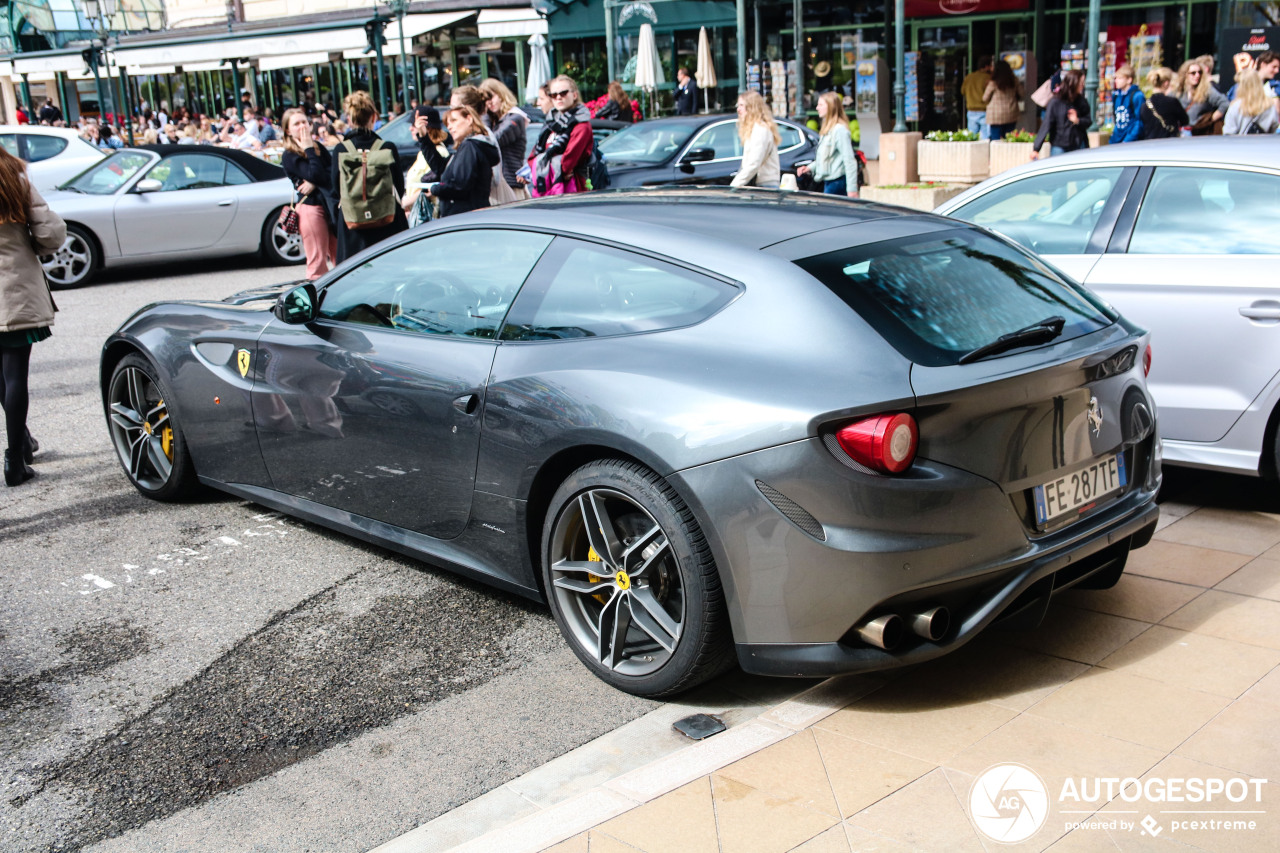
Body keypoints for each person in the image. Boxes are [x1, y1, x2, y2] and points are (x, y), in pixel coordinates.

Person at [0, 145, 66, 487]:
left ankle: (22, 440)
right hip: (14, 288)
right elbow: (49, 233)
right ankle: (15, 455)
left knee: (4, 376)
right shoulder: (14, 178)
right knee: (14, 376)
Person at [330, 90, 407, 263]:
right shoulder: (386, 147)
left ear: (349, 119)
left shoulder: (341, 150)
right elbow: (399, 187)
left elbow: (336, 188)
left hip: (353, 224)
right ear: (373, 117)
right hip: (386, 221)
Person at [281, 108, 337, 280]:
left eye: (304, 121)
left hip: (330, 206)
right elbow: (317, 174)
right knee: (317, 261)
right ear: (288, 131)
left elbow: (332, 172)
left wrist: (314, 182)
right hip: (310, 208)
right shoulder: (289, 155)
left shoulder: (319, 147)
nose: (302, 126)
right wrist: (309, 150)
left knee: (340, 256)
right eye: (296, 124)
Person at [423, 104, 499, 217]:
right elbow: (441, 167)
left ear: (469, 119)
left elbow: (460, 185)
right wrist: (424, 138)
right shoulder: (471, 146)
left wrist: (436, 189)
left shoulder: (470, 146)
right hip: (469, 216)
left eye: (454, 121)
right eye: (447, 124)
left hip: (464, 218)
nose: (449, 127)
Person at [528, 75, 593, 196]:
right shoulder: (551, 123)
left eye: (563, 93)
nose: (558, 97)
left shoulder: (581, 125)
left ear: (574, 95)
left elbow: (567, 163)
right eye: (554, 95)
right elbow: (532, 158)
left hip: (573, 189)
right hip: (548, 187)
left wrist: (549, 166)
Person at [796, 91, 857, 197]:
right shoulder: (828, 130)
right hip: (829, 182)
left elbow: (849, 160)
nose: (817, 108)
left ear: (830, 107)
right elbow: (826, 158)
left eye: (821, 105)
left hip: (837, 182)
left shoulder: (839, 130)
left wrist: (852, 189)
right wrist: (810, 168)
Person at [479, 78, 531, 194]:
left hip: (511, 183)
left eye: (491, 97)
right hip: (497, 183)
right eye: (485, 100)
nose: (489, 103)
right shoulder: (495, 120)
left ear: (501, 94)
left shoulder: (515, 117)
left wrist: (485, 115)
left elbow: (492, 141)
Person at [1032, 69, 1090, 159]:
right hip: (1059, 145)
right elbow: (1047, 124)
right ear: (1073, 83)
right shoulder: (1056, 102)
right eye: (1081, 82)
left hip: (1078, 144)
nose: (1083, 85)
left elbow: (1088, 121)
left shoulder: (1081, 101)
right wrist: (1036, 149)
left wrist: (1078, 121)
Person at [730, 90, 780, 188]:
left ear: (752, 107)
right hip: (761, 183)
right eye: (738, 105)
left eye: (741, 105)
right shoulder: (754, 128)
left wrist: (735, 185)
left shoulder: (760, 130)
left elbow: (754, 163)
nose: (738, 109)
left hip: (766, 184)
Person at [1177, 60, 1228, 134]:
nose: (1197, 75)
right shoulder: (1178, 91)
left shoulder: (1207, 90)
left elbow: (1225, 103)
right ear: (1185, 75)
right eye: (1193, 73)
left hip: (1200, 132)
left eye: (1199, 72)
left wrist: (1211, 119)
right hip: (1181, 132)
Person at [1138, 67, 1190, 139]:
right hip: (1169, 143)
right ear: (1166, 83)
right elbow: (1185, 120)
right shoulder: (1172, 102)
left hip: (1150, 144)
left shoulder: (1144, 105)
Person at [1224, 69, 1280, 135]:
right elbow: (1274, 128)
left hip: (1240, 144)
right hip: (1264, 144)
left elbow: (1228, 133)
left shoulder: (1235, 106)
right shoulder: (1269, 105)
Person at [982, 59, 1024, 141]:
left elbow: (985, 98)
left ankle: (996, 153)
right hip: (1011, 113)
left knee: (995, 139)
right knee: (1009, 138)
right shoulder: (1014, 81)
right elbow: (1022, 94)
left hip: (995, 115)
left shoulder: (993, 82)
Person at [1109, 65, 1145, 144]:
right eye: (1116, 78)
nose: (1116, 81)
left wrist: (1128, 139)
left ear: (1129, 80)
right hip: (1117, 139)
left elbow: (1139, 121)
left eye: (1120, 78)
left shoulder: (1137, 96)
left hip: (1131, 140)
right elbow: (1117, 120)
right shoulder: (1116, 96)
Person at [962, 55, 994, 138]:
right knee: (985, 138)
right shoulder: (988, 78)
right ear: (987, 66)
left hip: (971, 110)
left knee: (971, 138)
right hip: (984, 110)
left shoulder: (969, 77)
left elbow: (962, 91)